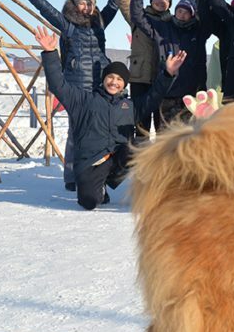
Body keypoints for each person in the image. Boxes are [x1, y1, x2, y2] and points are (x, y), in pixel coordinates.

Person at [0, 0, 121, 190]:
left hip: (99, 86)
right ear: (75, 5)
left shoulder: (99, 24)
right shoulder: (68, 25)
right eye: (83, 2)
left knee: (99, 132)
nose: (87, 7)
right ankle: (72, 177)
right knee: (76, 132)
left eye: (90, 3)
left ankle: (96, 173)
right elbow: (45, 7)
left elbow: (115, 2)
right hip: (77, 86)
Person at [33, 26, 185, 210]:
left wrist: (168, 74)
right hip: (90, 164)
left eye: (120, 80)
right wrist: (50, 54)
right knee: (89, 202)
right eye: (111, 77)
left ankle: (128, 186)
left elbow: (154, 96)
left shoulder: (130, 106)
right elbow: (59, 85)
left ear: (124, 85)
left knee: (140, 145)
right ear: (104, 79)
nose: (114, 82)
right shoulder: (83, 100)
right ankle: (98, 188)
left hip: (115, 159)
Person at [133, 0, 215, 124]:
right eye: (179, 10)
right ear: (174, 11)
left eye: (186, 12)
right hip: (167, 94)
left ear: (192, 15)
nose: (182, 14)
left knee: (193, 140)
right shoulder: (163, 28)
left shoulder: (199, 32)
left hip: (193, 95)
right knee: (167, 140)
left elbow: (205, 11)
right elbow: (138, 18)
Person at [105, 0, 170, 141]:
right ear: (151, 0)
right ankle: (139, 165)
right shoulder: (138, 18)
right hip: (140, 77)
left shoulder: (173, 24)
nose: (161, 0)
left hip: (162, 79)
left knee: (163, 127)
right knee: (140, 125)